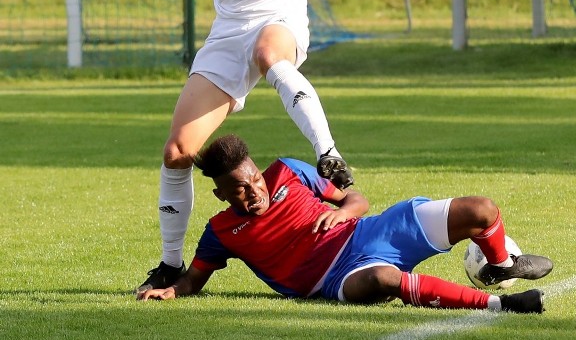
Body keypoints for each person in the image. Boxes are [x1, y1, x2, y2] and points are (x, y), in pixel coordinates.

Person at [104, 0, 354, 293]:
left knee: (268, 53)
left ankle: (329, 154)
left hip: (280, 23)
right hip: (227, 35)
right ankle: (170, 264)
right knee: (177, 152)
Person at [137, 134, 554, 314]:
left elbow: (357, 198)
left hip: (368, 231)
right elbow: (193, 280)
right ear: (221, 195)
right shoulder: (221, 231)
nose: (254, 192)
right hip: (335, 278)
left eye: (254, 181)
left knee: (480, 209)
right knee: (384, 280)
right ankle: (500, 305)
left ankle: (499, 265)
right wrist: (171, 291)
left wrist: (342, 212)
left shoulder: (288, 170)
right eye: (240, 191)